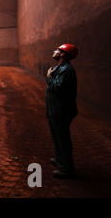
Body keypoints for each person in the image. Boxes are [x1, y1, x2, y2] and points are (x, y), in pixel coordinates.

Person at [46, 43, 79, 179]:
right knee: (57, 136)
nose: (55, 51)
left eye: (58, 50)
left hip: (61, 111)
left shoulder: (66, 70)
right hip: (55, 109)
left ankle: (66, 168)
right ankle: (60, 159)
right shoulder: (61, 68)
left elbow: (59, 87)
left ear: (63, 54)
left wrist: (49, 77)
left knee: (62, 138)